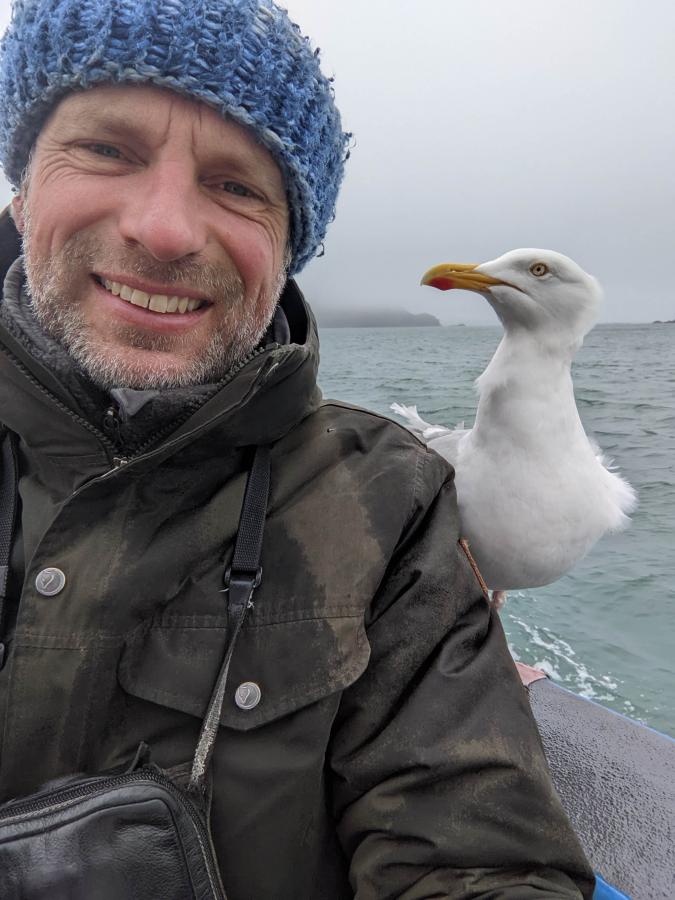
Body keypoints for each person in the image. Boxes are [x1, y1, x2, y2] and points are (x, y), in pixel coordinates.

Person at [0, 0, 595, 897]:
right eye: (108, 150)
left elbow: (481, 856)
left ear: (291, 246)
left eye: (238, 185)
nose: (163, 230)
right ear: (20, 188)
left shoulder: (388, 501)